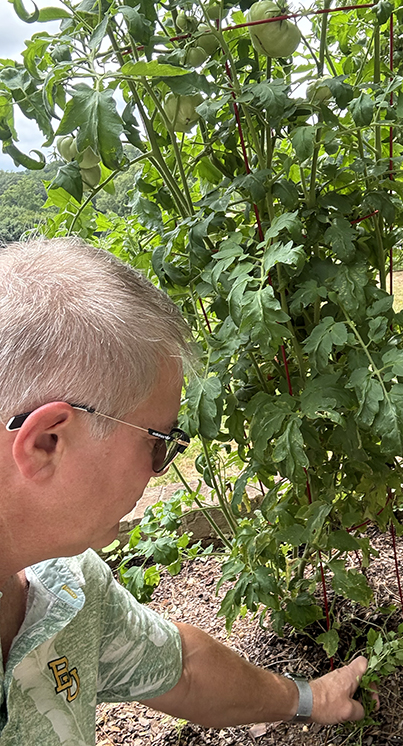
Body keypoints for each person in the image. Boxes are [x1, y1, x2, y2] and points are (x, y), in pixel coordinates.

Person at [0, 237, 371, 745]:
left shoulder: (64, 584)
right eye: (158, 441)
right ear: (46, 443)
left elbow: (186, 669)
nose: (160, 468)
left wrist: (309, 698)